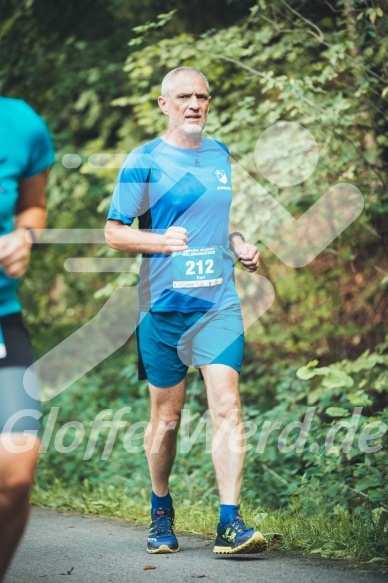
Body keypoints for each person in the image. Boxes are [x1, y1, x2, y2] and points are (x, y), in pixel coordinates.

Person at [105, 67, 266, 555]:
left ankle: (229, 524)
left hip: (218, 303)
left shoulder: (219, 155)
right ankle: (160, 510)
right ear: (164, 103)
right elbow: (114, 232)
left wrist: (237, 242)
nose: (195, 104)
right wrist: (157, 239)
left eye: (202, 96)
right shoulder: (144, 160)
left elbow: (216, 217)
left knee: (227, 405)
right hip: (163, 307)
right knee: (167, 417)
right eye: (184, 97)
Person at [0, 97, 54, 580]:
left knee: (17, 471)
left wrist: (24, 237)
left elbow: (33, 206)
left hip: (1, 319)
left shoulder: (21, 124)